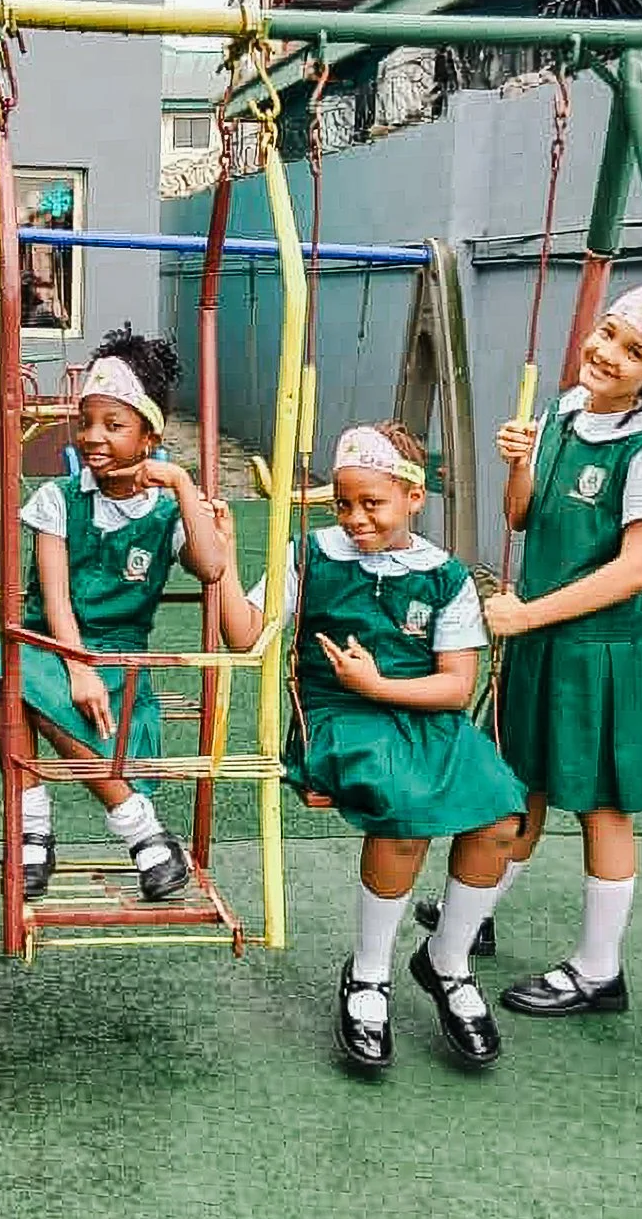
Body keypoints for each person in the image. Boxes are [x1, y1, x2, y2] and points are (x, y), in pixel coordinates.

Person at [215, 423, 527, 1070]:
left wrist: (381, 680)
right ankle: (369, 972)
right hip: (339, 715)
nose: (355, 518)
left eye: (372, 504)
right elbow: (244, 635)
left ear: (413, 498)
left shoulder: (443, 576)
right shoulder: (312, 556)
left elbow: (454, 685)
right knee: (402, 810)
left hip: (418, 711)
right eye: (344, 504)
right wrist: (220, 563)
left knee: (502, 812)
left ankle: (446, 958)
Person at [417, 284, 642, 1017]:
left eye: (636, 352)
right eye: (608, 334)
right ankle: (472, 914)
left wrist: (528, 611)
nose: (608, 354)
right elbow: (522, 515)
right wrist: (518, 461)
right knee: (518, 783)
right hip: (533, 634)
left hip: (591, 648)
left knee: (601, 806)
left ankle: (600, 968)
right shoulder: (563, 408)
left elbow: (637, 568)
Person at [0, 326, 226, 903]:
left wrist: (184, 485)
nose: (93, 437)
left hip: (121, 659)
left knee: (36, 691)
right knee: (2, 671)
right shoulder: (58, 499)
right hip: (53, 645)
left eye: (113, 425)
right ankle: (69, 826)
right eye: (86, 421)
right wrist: (76, 666)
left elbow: (212, 568)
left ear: (149, 436)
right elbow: (56, 597)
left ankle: (122, 832)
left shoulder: (167, 511)